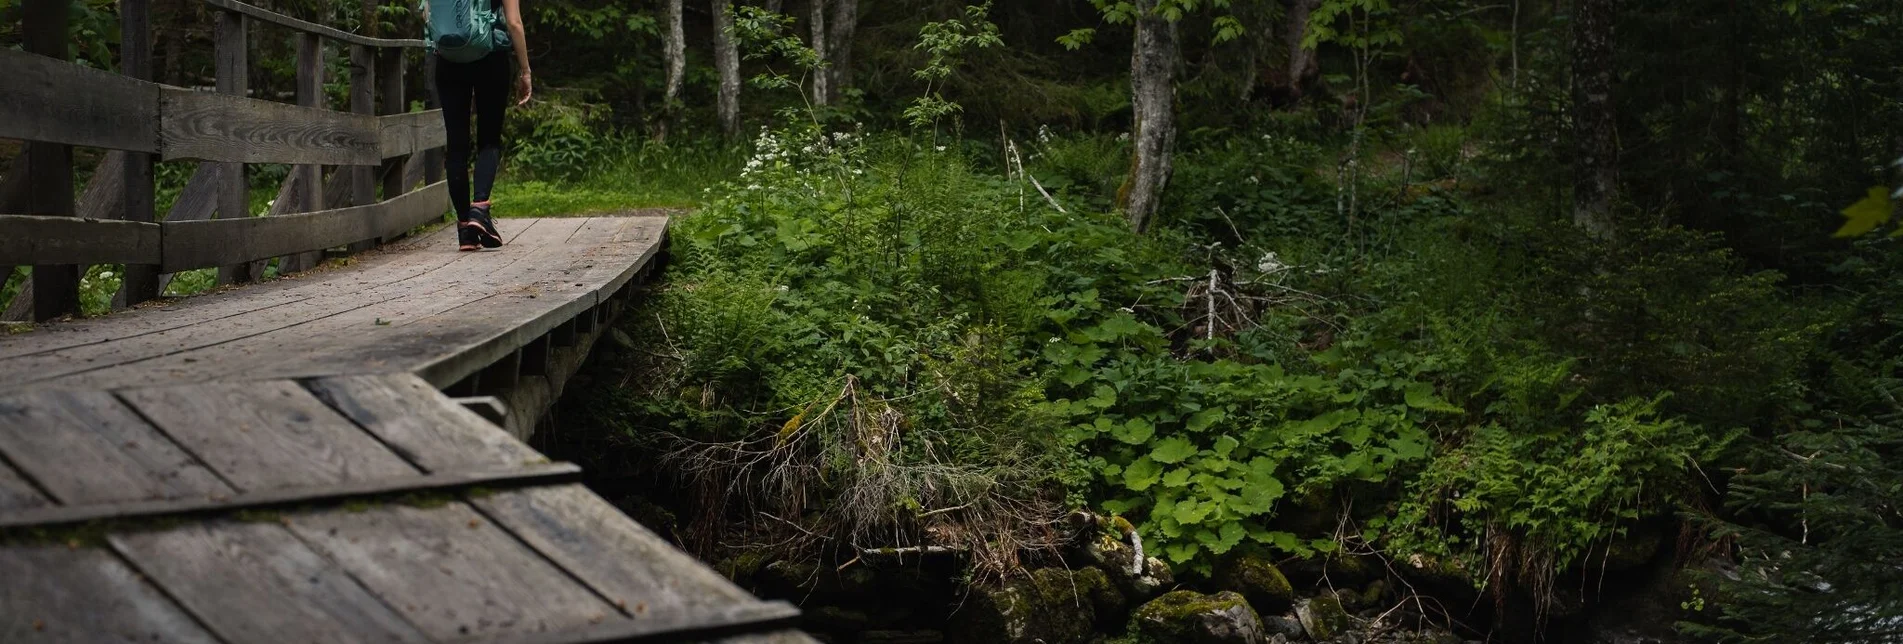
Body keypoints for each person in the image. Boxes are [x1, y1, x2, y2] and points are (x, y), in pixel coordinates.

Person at [431, 0, 532, 251]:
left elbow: (429, 15)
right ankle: (479, 209)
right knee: (489, 139)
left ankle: (466, 229)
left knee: (456, 145)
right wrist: (525, 70)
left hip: (448, 60)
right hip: (491, 57)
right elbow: (514, 23)